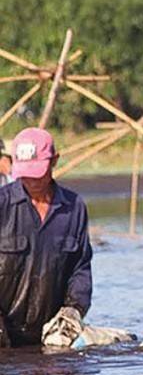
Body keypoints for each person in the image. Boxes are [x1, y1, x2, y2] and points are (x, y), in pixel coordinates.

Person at [0, 128, 92, 348]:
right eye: (26, 173)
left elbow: (81, 267)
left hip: (50, 334)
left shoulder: (74, 207)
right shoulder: (2, 204)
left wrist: (74, 308)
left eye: (37, 172)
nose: (31, 180)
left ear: (54, 161)